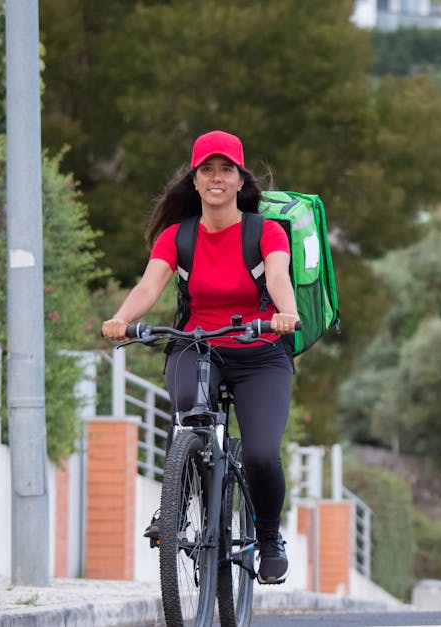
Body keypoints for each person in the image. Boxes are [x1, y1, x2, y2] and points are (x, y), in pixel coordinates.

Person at [101, 130, 299, 585]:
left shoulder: (264, 231)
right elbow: (149, 288)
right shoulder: (177, 237)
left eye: (225, 169)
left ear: (239, 180)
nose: (216, 178)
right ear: (194, 180)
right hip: (197, 345)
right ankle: (177, 502)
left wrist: (285, 314)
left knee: (263, 454)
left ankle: (268, 537)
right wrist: (120, 319)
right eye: (206, 169)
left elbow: (278, 276)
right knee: (189, 413)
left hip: (259, 351)